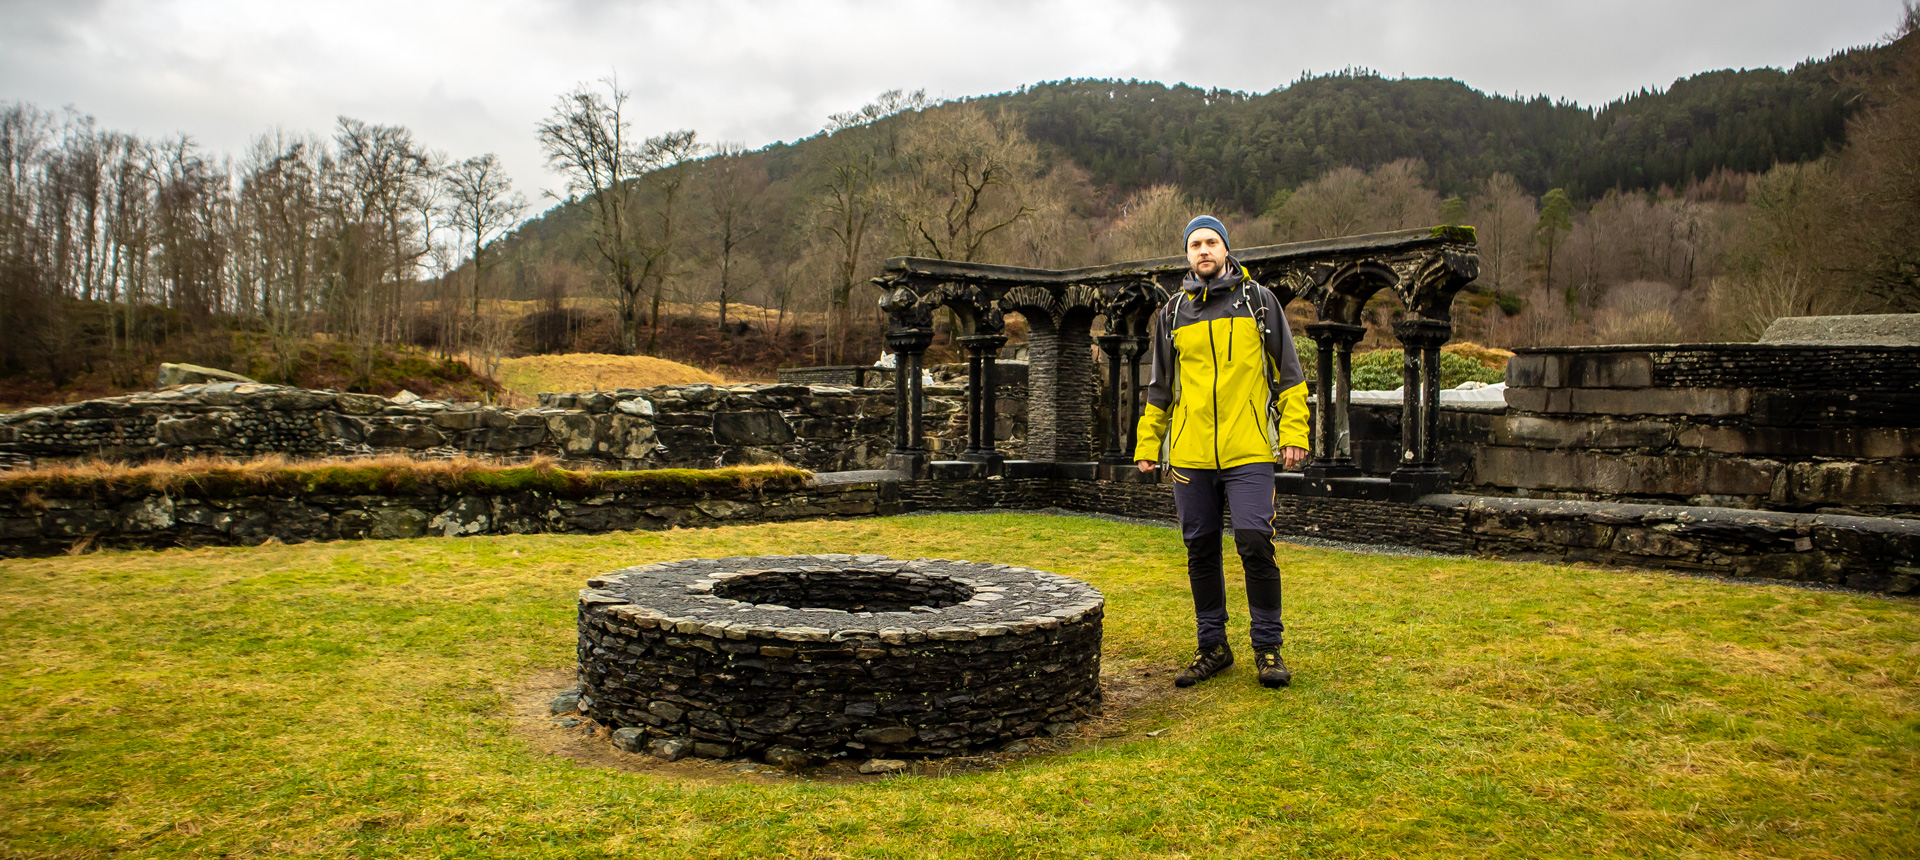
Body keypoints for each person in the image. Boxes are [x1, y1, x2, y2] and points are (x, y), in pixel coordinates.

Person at [1134, 215, 1310, 689]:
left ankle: (1268, 647)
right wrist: (1148, 443)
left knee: (1255, 541)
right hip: (1190, 455)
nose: (1204, 250)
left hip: (1248, 449)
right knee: (1200, 548)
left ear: (1226, 249)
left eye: (1212, 242)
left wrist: (1294, 431)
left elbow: (1289, 375)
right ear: (1187, 254)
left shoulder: (1259, 302)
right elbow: (1159, 388)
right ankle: (1212, 645)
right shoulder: (1172, 313)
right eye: (1195, 244)